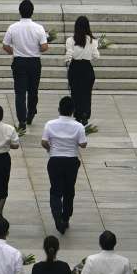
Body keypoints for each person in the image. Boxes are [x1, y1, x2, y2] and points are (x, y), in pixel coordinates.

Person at [42, 97, 87, 233]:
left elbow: (44, 142)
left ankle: (57, 217)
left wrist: (50, 149)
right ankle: (66, 217)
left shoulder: (50, 124)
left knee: (55, 190)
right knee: (69, 190)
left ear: (59, 109)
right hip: (71, 161)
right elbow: (83, 144)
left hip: (55, 160)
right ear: (73, 111)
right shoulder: (78, 126)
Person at [3, 0, 49, 129]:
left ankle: (21, 120)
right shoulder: (39, 28)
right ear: (32, 12)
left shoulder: (13, 27)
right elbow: (44, 47)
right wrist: (36, 49)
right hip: (34, 62)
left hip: (19, 61)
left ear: (20, 12)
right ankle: (31, 113)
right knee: (33, 90)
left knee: (20, 92)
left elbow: (5, 45)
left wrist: (15, 51)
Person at [65, 16, 99, 125]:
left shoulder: (71, 40)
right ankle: (85, 114)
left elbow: (69, 54)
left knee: (75, 93)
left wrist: (68, 61)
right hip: (87, 68)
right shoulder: (93, 41)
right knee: (86, 93)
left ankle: (77, 114)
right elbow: (96, 56)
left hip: (75, 68)